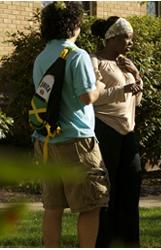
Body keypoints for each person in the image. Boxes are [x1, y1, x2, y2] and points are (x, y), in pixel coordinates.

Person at [32, 2, 109, 247]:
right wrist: (100, 86)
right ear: (73, 25)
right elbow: (86, 97)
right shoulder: (77, 55)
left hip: (46, 141)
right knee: (91, 204)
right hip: (76, 141)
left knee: (52, 208)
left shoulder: (41, 57)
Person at [90, 16, 143, 247]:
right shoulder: (95, 61)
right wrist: (123, 88)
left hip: (127, 132)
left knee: (131, 186)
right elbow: (92, 97)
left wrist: (137, 74)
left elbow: (136, 100)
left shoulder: (126, 63)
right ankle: (105, 241)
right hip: (105, 130)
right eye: (126, 38)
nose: (130, 42)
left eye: (131, 38)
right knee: (108, 191)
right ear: (111, 38)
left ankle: (128, 241)